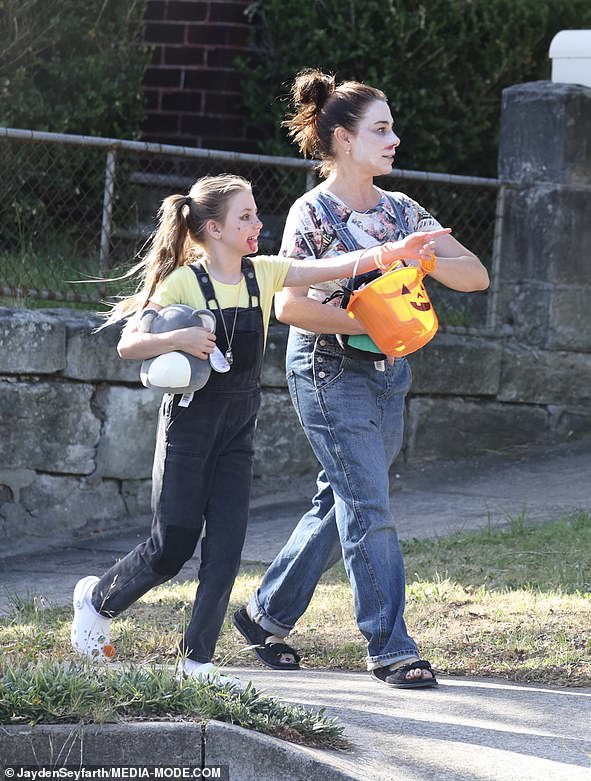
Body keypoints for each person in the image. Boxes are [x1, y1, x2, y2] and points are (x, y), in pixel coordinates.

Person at [70, 172, 442, 688]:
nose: (257, 223)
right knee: (173, 544)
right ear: (215, 229)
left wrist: (390, 252)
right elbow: (129, 345)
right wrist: (180, 334)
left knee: (225, 548)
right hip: (190, 426)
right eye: (245, 216)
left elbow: (333, 265)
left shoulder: (263, 273)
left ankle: (196, 661)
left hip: (238, 430)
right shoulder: (185, 282)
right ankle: (95, 600)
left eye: (255, 213)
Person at [233, 70, 490, 688]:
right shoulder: (313, 211)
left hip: (389, 372)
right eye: (381, 129)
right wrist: (365, 313)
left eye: (392, 127)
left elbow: (475, 275)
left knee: (343, 499)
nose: (394, 138)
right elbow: (288, 304)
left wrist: (423, 255)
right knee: (368, 504)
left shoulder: (401, 210)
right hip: (329, 370)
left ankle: (264, 616)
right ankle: (391, 646)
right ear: (344, 139)